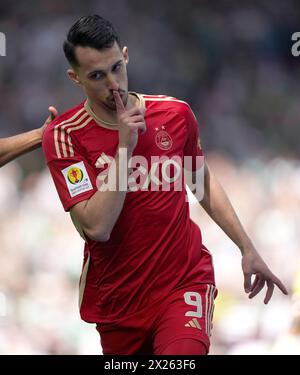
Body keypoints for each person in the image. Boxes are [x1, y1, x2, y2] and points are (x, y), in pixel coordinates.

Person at [42, 15, 288, 355]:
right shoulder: (64, 136)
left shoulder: (175, 114)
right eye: (97, 76)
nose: (113, 84)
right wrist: (124, 146)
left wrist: (247, 248)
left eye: (116, 67)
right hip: (119, 301)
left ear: (125, 56)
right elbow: (97, 227)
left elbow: (201, 182)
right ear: (75, 77)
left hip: (184, 283)